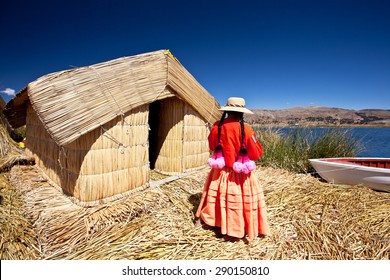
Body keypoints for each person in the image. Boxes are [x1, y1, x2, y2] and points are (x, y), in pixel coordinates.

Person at [195, 97, 270, 240]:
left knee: (218, 198)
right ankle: (236, 228)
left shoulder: (217, 126)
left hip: (220, 172)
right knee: (236, 202)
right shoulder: (246, 130)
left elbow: (212, 146)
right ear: (242, 113)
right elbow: (256, 153)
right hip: (240, 174)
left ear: (227, 111)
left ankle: (216, 222)